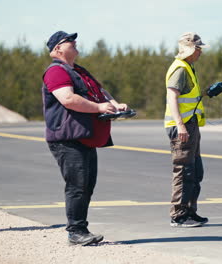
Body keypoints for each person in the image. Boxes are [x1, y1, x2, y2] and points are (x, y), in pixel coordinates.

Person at [41, 31, 129, 245]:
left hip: (85, 137)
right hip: (68, 139)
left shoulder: (78, 70)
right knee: (77, 185)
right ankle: (76, 232)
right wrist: (99, 107)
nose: (74, 43)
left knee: (87, 184)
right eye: (69, 41)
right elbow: (68, 99)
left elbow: (101, 91)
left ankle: (80, 229)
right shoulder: (55, 71)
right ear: (57, 49)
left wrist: (114, 105)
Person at [164, 32, 222, 227]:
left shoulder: (188, 68)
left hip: (190, 125)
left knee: (194, 171)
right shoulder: (180, 69)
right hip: (181, 126)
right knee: (184, 171)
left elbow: (188, 98)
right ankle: (179, 215)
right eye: (198, 48)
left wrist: (208, 93)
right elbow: (172, 97)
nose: (200, 52)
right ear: (189, 49)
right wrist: (181, 125)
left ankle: (190, 211)